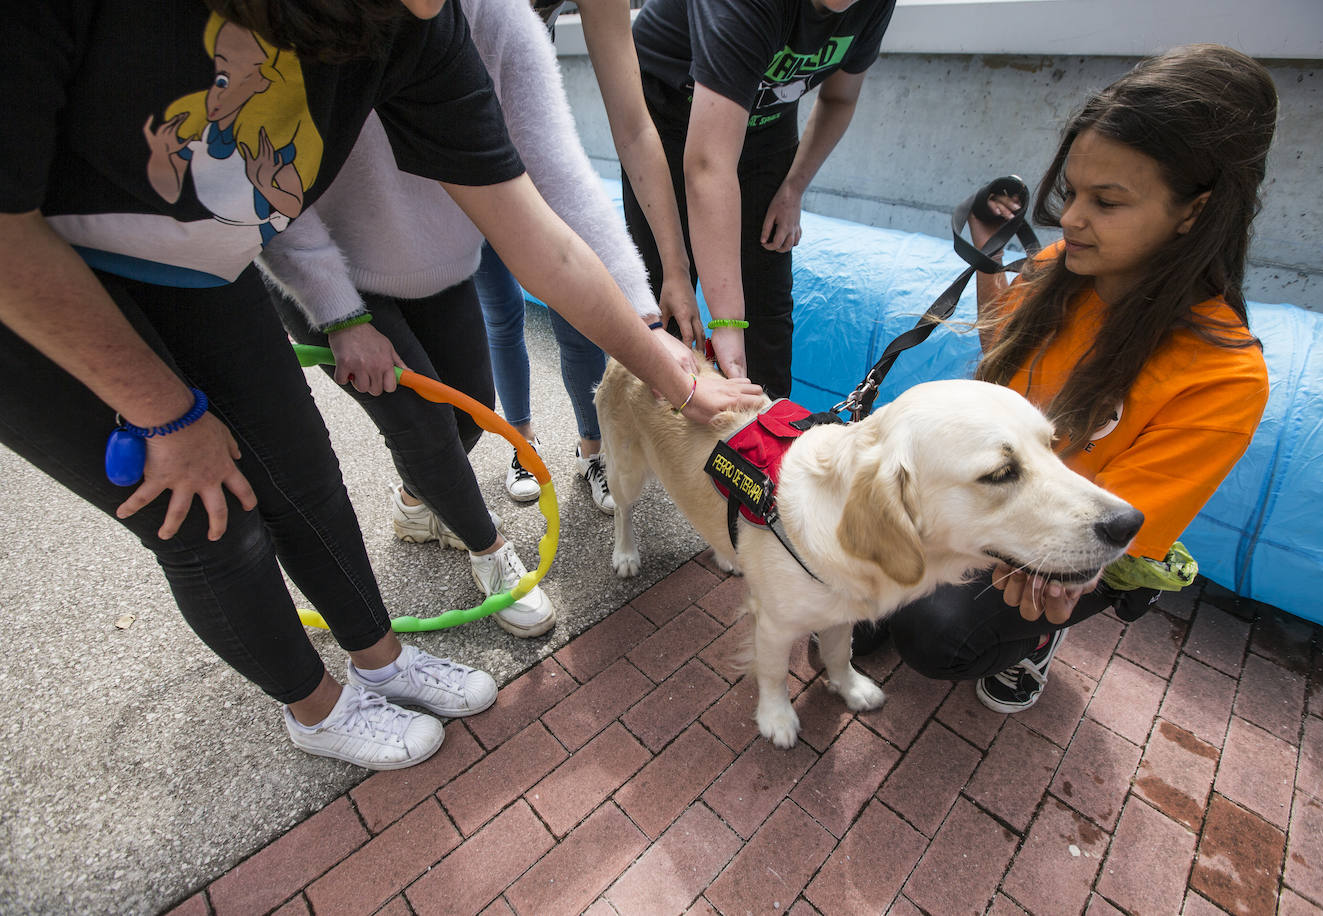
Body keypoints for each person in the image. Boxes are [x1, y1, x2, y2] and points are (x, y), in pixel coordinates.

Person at [0, 0, 758, 772]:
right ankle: (316, 709)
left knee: (304, 477)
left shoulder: (421, 19)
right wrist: (166, 414)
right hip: (33, 284)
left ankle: (381, 659)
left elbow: (542, 225)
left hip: (205, 267)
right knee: (209, 520)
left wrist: (673, 373)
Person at [857, 44, 1276, 715]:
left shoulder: (1225, 375)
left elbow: (1107, 525)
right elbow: (1005, 351)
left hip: (1078, 524)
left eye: (1106, 202)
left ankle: (1037, 635)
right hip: (998, 491)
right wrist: (989, 261)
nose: (1071, 218)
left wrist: (1062, 571)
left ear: (1194, 212)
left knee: (936, 631)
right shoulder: (1064, 266)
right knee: (869, 547)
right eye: (1071, 193)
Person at [258, 0, 686, 638]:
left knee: (470, 407)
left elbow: (558, 176)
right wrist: (341, 315)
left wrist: (643, 318)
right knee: (425, 428)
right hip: (322, 268)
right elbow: (263, 179)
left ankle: (416, 503)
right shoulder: (301, 21)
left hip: (434, 262)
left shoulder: (498, 20)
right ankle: (489, 554)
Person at [478, 0, 701, 514]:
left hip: (530, 148)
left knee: (580, 318)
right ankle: (521, 443)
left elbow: (632, 127)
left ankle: (591, 449)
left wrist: (672, 270)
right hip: (456, 158)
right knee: (501, 312)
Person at [624, 0, 898, 397]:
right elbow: (708, 166)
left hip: (766, 123)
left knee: (766, 312)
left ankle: (766, 446)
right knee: (670, 307)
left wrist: (793, 187)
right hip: (668, 116)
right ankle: (653, 444)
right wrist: (719, 319)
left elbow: (840, 98)